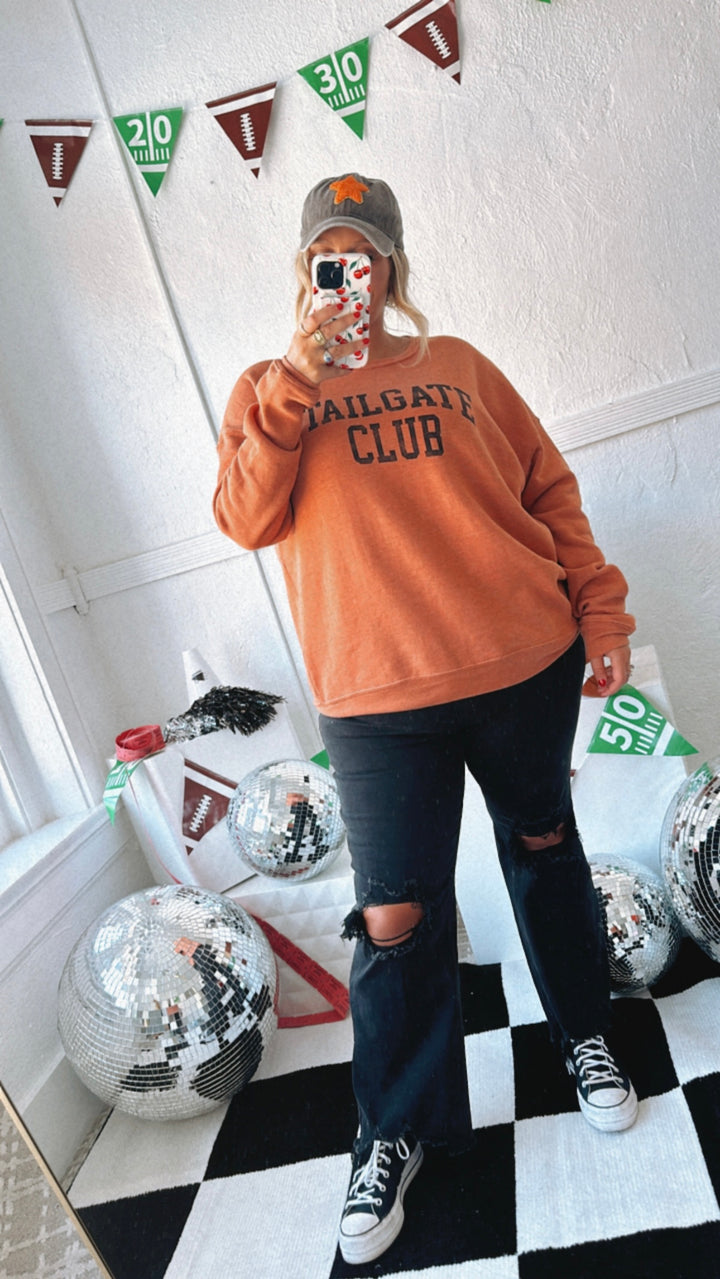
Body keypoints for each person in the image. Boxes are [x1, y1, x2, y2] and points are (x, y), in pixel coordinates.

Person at [213, 172, 638, 1266]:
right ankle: (396, 1128)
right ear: (305, 271)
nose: (346, 273)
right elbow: (246, 517)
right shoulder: (268, 388)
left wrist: (600, 608)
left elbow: (549, 491)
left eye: (362, 253)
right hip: (375, 702)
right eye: (328, 256)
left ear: (391, 265)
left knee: (545, 847)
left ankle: (586, 1036)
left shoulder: (461, 368)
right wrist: (298, 379)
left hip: (523, 660)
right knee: (395, 917)